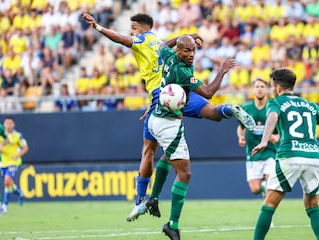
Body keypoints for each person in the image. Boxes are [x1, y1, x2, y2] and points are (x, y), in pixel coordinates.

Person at [83, 13, 255, 222]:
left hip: (162, 97)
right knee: (211, 112)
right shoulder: (160, 43)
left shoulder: (143, 40)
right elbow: (168, 45)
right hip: (181, 92)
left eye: (133, 28)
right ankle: (229, 110)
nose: (132, 32)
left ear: (138, 26)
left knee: (149, 150)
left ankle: (140, 201)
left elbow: (121, 39)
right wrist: (186, 36)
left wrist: (98, 27)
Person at [147, 35, 236, 240]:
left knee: (168, 157)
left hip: (158, 118)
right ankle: (172, 225)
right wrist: (222, 70)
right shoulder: (183, 71)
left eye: (193, 50)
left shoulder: (169, 54)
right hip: (168, 123)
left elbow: (161, 46)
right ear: (179, 51)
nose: (191, 55)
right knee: (185, 174)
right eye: (187, 51)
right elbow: (208, 92)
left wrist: (181, 37)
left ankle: (153, 199)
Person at [251, 68, 319, 240]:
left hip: (290, 155)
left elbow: (273, 117)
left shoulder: (276, 102)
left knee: (269, 204)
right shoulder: (311, 105)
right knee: (313, 205)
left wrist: (265, 140)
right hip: (313, 157)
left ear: (278, 87)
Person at [236, 79, 279, 198]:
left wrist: (276, 137)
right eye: (257, 87)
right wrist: (241, 137)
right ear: (253, 89)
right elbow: (240, 127)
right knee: (255, 189)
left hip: (269, 151)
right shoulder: (246, 108)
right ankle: (264, 188)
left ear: (267, 89)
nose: (259, 89)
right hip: (253, 152)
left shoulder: (273, 107)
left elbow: (281, 129)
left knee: (271, 184)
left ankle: (267, 210)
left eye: (262, 86)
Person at [0, 117, 28, 213]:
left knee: (7, 182)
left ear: (13, 124)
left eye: (10, 123)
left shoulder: (17, 136)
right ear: (4, 124)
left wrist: (18, 155)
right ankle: (20, 193)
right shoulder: (0, 135)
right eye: (6, 123)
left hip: (13, 162)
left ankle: (5, 205)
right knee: (9, 184)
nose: (8, 125)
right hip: (2, 163)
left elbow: (25, 147)